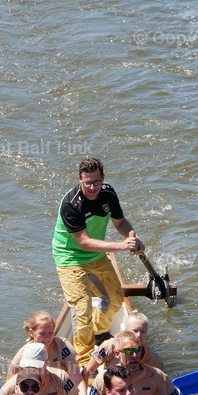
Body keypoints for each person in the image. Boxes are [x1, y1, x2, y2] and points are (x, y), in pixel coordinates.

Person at [51, 157, 143, 367]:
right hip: (70, 257)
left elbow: (120, 222)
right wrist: (122, 246)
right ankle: (85, 362)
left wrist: (133, 237)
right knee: (82, 308)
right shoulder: (71, 204)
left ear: (103, 178)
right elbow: (84, 242)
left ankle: (97, 332)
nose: (93, 187)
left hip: (96, 256)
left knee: (115, 298)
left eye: (97, 182)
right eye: (88, 183)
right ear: (79, 179)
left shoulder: (108, 194)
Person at [90, 331, 187, 395]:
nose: (134, 355)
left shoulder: (157, 376)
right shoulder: (102, 379)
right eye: (129, 351)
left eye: (137, 349)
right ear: (117, 354)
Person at [6, 310, 83, 391]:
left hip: (61, 387)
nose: (47, 337)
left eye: (50, 332)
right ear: (31, 332)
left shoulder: (63, 346)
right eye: (42, 333)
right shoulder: (20, 358)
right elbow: (10, 387)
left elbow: (77, 377)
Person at [84, 309, 166, 378]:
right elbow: (87, 372)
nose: (139, 335)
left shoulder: (153, 357)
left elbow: (162, 381)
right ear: (125, 330)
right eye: (135, 331)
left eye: (143, 331)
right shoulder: (108, 346)